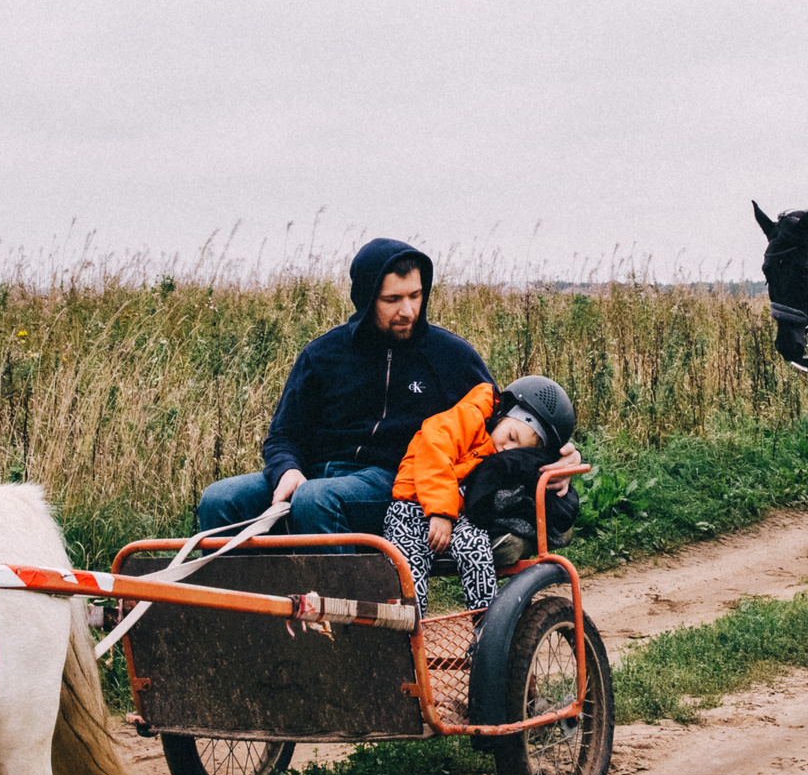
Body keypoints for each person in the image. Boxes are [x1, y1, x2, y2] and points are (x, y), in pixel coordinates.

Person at [195, 238, 493, 536]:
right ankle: (257, 571)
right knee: (220, 499)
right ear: (366, 299)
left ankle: (334, 570)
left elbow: (497, 418)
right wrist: (288, 470)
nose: (408, 311)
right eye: (392, 300)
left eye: (415, 295)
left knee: (316, 499)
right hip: (313, 474)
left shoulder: (452, 356)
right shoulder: (323, 354)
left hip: (393, 482)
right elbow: (284, 435)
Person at [382, 375, 579, 611]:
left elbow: (548, 460)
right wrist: (440, 512)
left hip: (456, 515)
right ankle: (410, 628)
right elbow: (434, 449)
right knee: (408, 571)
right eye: (511, 436)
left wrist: (570, 457)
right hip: (412, 507)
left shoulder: (496, 447)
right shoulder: (471, 416)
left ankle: (485, 622)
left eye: (517, 451)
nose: (506, 448)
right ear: (502, 414)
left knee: (475, 546)